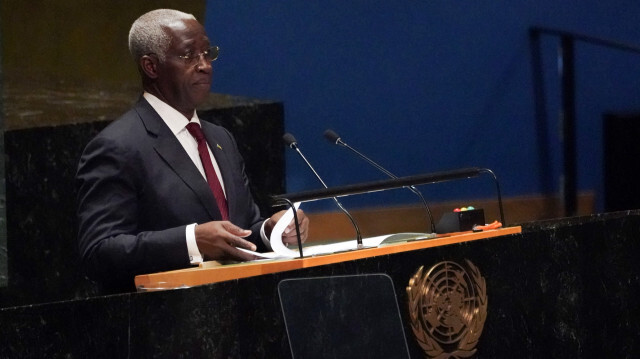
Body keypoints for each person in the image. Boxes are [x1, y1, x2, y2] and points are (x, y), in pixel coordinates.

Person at [76, 9, 308, 291]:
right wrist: (191, 241)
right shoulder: (117, 147)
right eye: (189, 55)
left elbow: (243, 227)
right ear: (151, 66)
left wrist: (269, 231)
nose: (205, 65)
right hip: (167, 321)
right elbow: (99, 251)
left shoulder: (220, 138)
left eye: (207, 53)